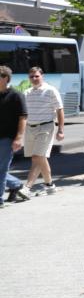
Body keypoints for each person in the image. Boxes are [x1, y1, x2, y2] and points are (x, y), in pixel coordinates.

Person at [21, 66, 64, 195]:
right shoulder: (27, 93)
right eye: (31, 77)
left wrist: (61, 130)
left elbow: (60, 110)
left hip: (46, 127)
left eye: (37, 76)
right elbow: (23, 114)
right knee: (40, 158)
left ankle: (27, 188)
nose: (34, 79)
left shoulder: (51, 91)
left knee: (37, 157)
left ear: (42, 76)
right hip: (30, 128)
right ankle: (50, 185)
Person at [0, 66, 29, 203]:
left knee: (1, 169)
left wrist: (19, 138)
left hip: (7, 138)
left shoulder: (16, 95)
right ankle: (15, 184)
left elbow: (23, 117)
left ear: (5, 78)